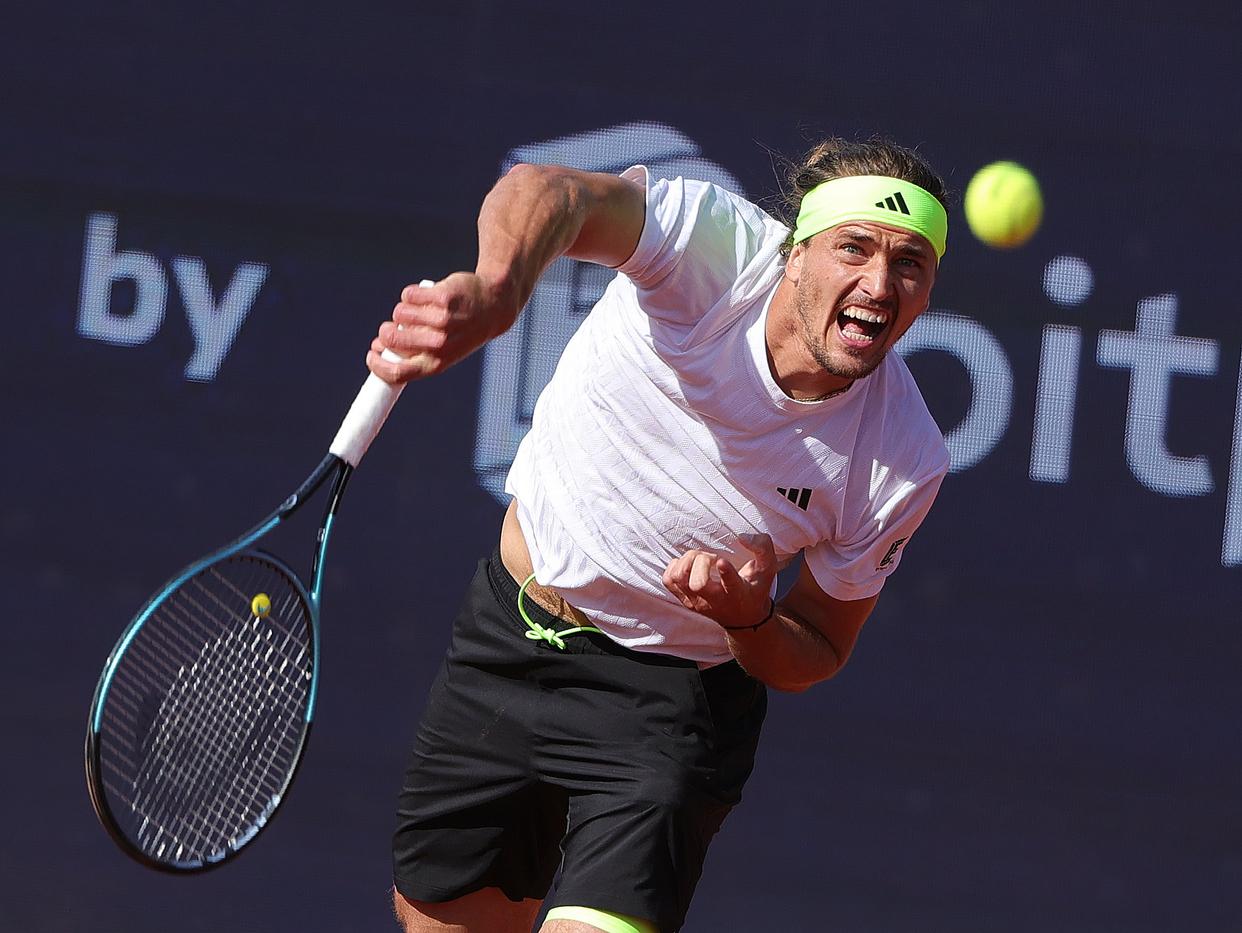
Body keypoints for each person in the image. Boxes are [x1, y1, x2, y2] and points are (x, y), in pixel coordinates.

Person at [370, 138, 952, 933]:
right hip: (509, 637)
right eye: (855, 248)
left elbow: (818, 644)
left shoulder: (904, 455)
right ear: (796, 254)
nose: (880, 284)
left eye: (911, 263)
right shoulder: (711, 246)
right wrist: (498, 291)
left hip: (671, 710)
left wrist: (750, 619)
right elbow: (551, 189)